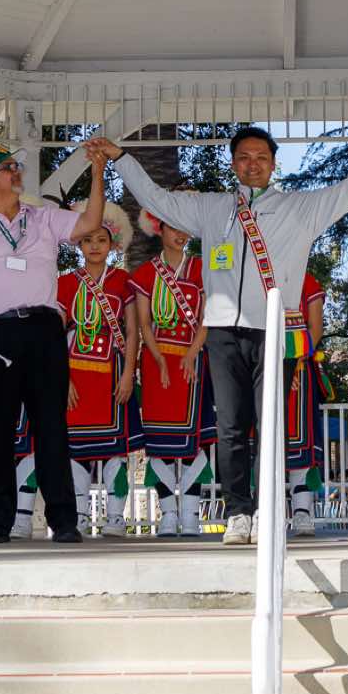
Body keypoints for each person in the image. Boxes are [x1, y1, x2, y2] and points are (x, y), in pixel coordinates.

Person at [95, 107, 348, 547]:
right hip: (222, 332)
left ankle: (267, 511)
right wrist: (120, 158)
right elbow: (156, 198)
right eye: (244, 157)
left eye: (261, 157)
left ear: (273, 163)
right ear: (233, 163)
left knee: (270, 428)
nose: (253, 164)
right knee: (230, 426)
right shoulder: (213, 208)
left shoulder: (300, 208)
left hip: (274, 332)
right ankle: (238, 513)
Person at [0, 140, 111, 545]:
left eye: (16, 167)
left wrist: (98, 174)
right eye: (8, 168)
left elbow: (89, 222)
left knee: (52, 427)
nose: (16, 173)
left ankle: (63, 522)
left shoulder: (42, 217)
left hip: (43, 330)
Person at [130, 212, 214, 536]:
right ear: (159, 228)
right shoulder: (145, 273)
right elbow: (144, 323)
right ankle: (167, 513)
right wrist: (158, 359)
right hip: (157, 362)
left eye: (184, 228)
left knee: (195, 441)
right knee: (159, 441)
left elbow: (207, 317)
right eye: (173, 227)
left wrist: (192, 353)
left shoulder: (201, 268)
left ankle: (190, 514)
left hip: (192, 359)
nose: (180, 234)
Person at [58, 204, 139, 537]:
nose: (94, 246)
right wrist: (62, 379)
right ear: (78, 243)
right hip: (75, 371)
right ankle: (77, 514)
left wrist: (128, 373)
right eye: (88, 239)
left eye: (101, 240)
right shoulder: (65, 283)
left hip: (112, 371)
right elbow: (55, 335)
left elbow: (132, 331)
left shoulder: (123, 281)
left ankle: (116, 516)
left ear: (112, 244)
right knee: (75, 448)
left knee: (116, 448)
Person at [281, 269, 328, 537]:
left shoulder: (308, 280)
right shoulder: (258, 277)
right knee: (266, 440)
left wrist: (292, 366)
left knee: (301, 444)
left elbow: (315, 329)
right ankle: (268, 511)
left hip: (300, 367)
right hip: (266, 367)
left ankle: (302, 511)